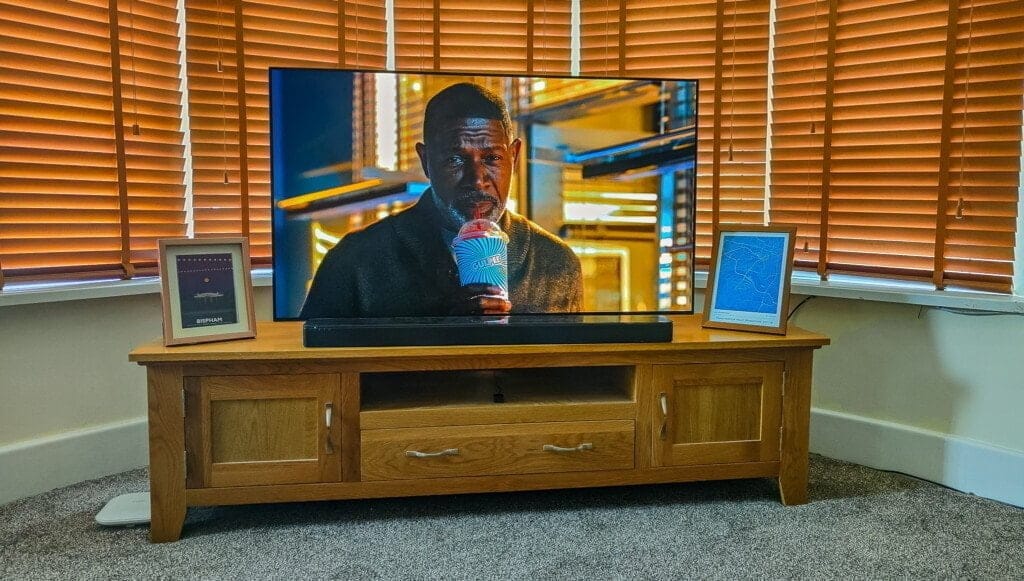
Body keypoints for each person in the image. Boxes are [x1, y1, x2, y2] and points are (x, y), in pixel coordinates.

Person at [300, 82, 583, 319]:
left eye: (492, 158)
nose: (477, 180)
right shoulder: (355, 262)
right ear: (426, 161)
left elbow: (571, 367)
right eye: (455, 159)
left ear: (514, 156)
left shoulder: (555, 263)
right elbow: (315, 365)